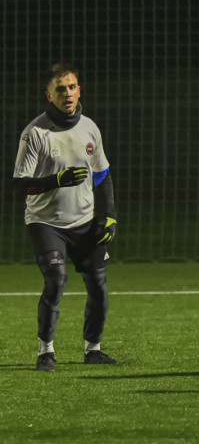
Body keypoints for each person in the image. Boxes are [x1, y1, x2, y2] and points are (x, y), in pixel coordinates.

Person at [12, 63, 120, 371]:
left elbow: (102, 175)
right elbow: (19, 184)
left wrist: (109, 216)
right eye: (61, 88)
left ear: (79, 90)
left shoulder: (90, 128)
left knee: (98, 283)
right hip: (45, 222)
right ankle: (45, 352)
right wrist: (56, 181)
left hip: (84, 221)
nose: (68, 93)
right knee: (57, 280)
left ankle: (94, 349)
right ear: (49, 94)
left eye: (72, 87)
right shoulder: (35, 133)